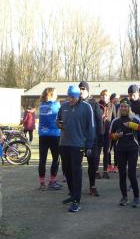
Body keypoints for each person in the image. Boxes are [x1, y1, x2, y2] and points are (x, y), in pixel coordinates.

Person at [57, 84, 96, 212]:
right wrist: (58, 124)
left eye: (73, 97)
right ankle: (72, 194)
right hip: (64, 143)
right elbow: (58, 120)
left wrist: (89, 145)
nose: (71, 99)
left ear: (78, 96)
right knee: (66, 170)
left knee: (76, 171)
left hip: (78, 144)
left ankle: (76, 201)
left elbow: (91, 127)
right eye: (69, 97)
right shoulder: (64, 106)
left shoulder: (86, 107)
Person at [109, 102, 140, 207]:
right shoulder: (115, 121)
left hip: (132, 148)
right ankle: (124, 197)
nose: (123, 108)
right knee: (122, 174)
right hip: (120, 149)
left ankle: (136, 198)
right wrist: (116, 135)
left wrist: (133, 125)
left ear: (129, 108)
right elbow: (110, 135)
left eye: (125, 106)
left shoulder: (134, 118)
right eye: (121, 106)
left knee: (131, 174)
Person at [80, 81, 104, 196]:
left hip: (91, 138)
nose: (81, 91)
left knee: (92, 163)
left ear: (87, 90)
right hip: (79, 138)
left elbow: (99, 121)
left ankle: (92, 186)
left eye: (83, 89)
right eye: (80, 89)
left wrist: (101, 137)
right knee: (76, 164)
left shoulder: (93, 103)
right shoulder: (76, 103)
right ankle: (75, 187)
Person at [37, 87, 62, 191]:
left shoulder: (41, 105)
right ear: (51, 94)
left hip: (43, 135)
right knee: (56, 159)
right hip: (54, 135)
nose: (57, 95)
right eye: (55, 93)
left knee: (42, 159)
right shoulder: (56, 105)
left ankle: (42, 183)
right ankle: (52, 181)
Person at [98, 90, 113, 179]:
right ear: (100, 96)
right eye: (102, 95)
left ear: (109, 96)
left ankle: (105, 170)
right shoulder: (97, 105)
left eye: (106, 95)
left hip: (108, 132)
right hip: (99, 132)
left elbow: (115, 118)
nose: (104, 97)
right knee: (97, 152)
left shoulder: (112, 106)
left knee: (106, 152)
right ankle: (96, 171)